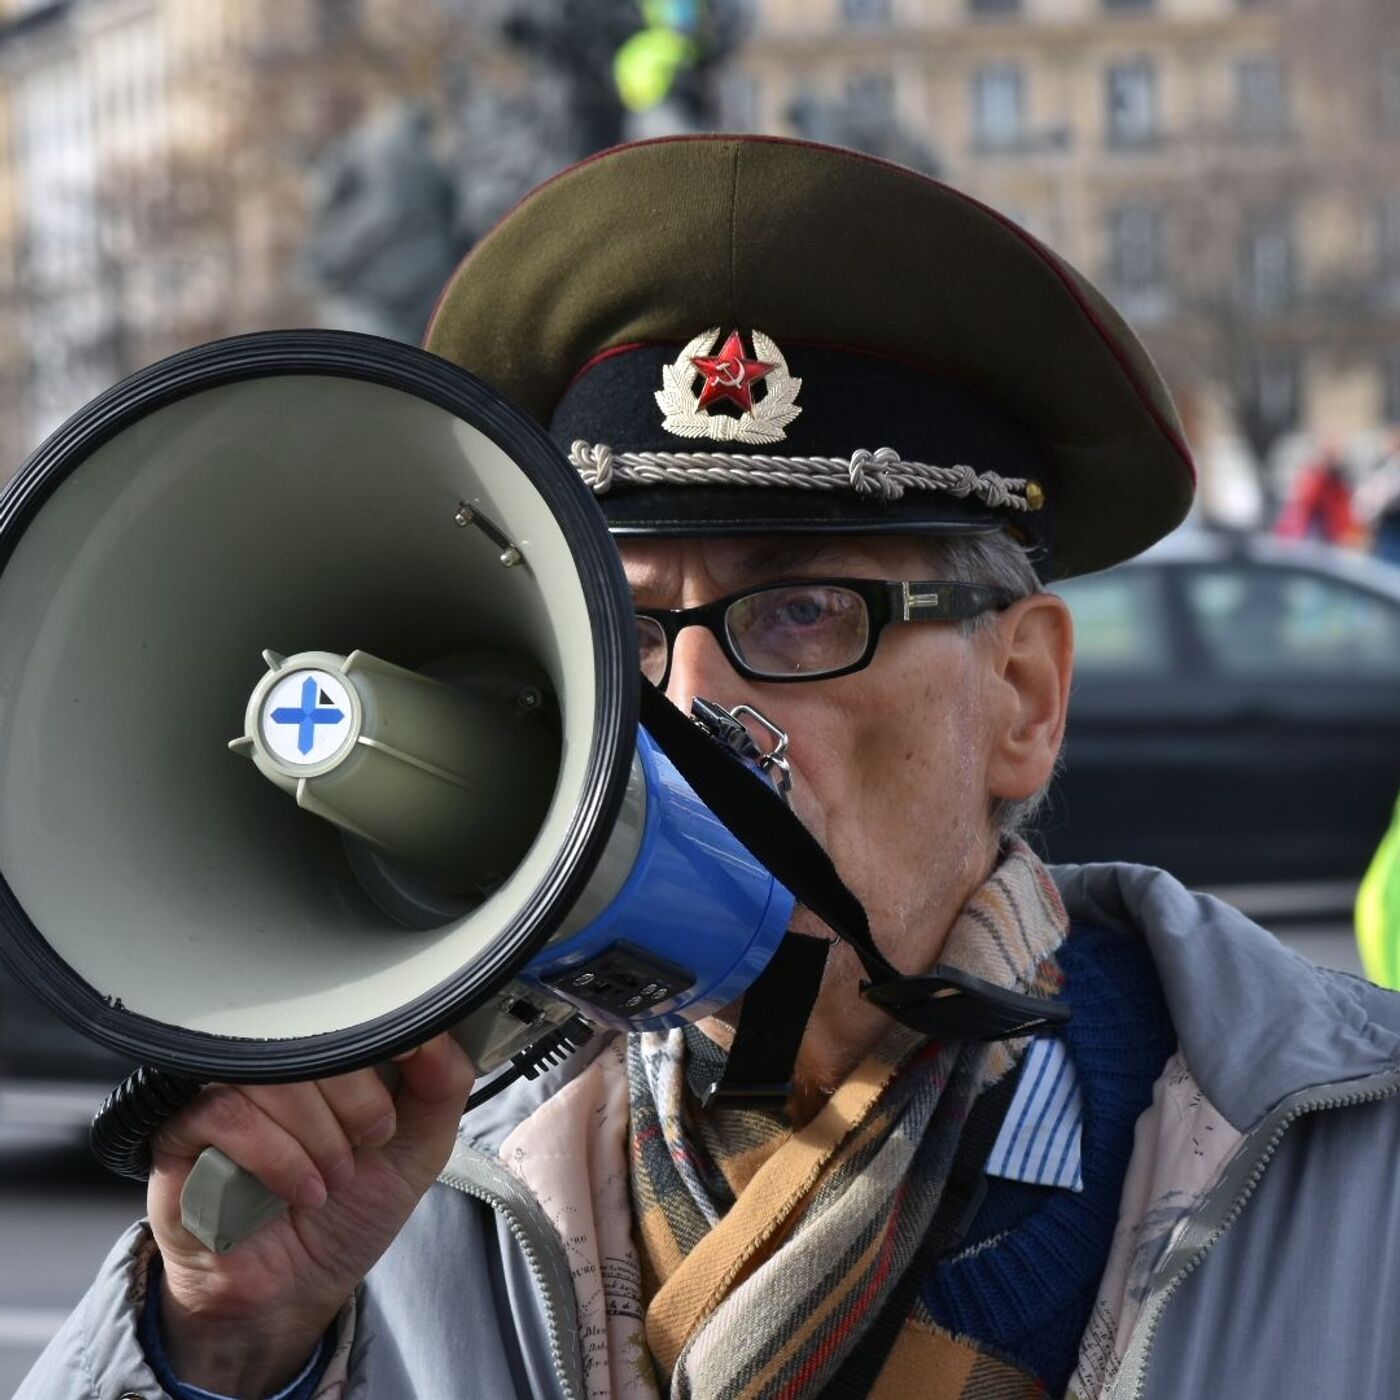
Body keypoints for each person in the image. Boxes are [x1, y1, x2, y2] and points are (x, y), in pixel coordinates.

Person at [20, 137, 1400, 1400]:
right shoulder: (398, 1187)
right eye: (617, 629)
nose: (689, 705)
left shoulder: (1342, 1173)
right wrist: (225, 1338)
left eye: (798, 610)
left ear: (1024, 695)